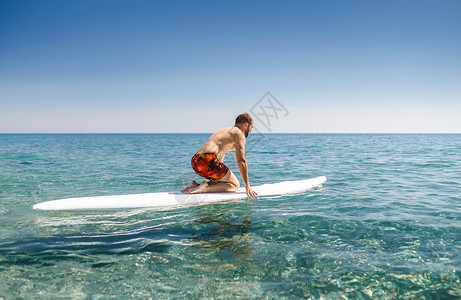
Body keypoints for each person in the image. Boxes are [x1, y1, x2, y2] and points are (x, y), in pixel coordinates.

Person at [182, 113, 258, 197]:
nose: (250, 131)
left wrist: (216, 178)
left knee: (221, 181)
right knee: (235, 185)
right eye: (251, 127)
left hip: (196, 161)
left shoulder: (225, 131)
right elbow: (241, 161)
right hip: (208, 160)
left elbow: (219, 156)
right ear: (246, 125)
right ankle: (205, 188)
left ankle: (195, 185)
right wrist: (247, 186)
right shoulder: (239, 133)